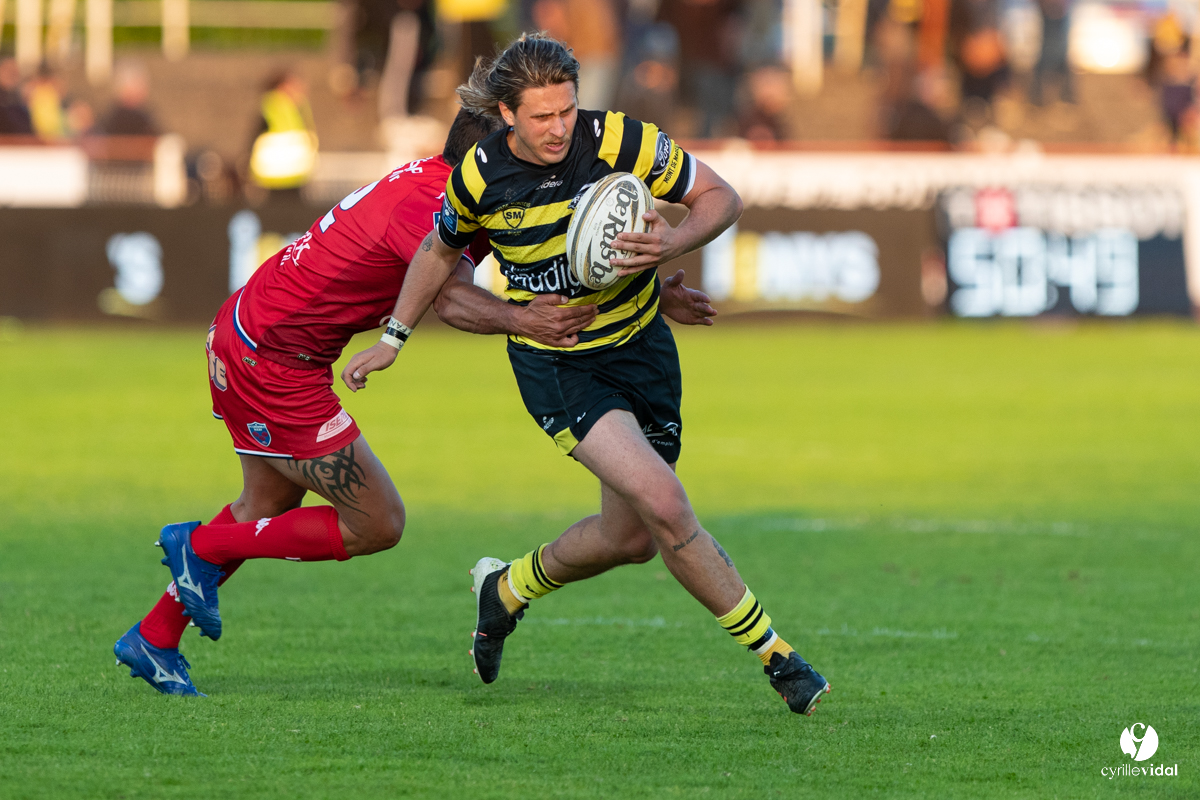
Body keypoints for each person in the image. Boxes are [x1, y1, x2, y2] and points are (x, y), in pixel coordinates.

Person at [111, 107, 718, 697]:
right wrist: (521, 321)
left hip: (254, 335)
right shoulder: (436, 206)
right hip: (272, 361)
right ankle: (198, 546)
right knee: (378, 522)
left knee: (265, 506)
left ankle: (155, 637)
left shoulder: (451, 188)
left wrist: (654, 298)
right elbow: (451, 303)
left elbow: (551, 264)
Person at [342, 33, 831, 715]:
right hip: (560, 367)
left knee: (629, 538)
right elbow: (436, 251)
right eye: (541, 117)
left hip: (643, 350)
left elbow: (722, 196)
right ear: (508, 115)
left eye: (567, 111)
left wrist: (671, 243)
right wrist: (394, 337)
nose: (558, 128)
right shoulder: (480, 175)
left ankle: (506, 589)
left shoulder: (620, 140)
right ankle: (782, 661)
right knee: (665, 504)